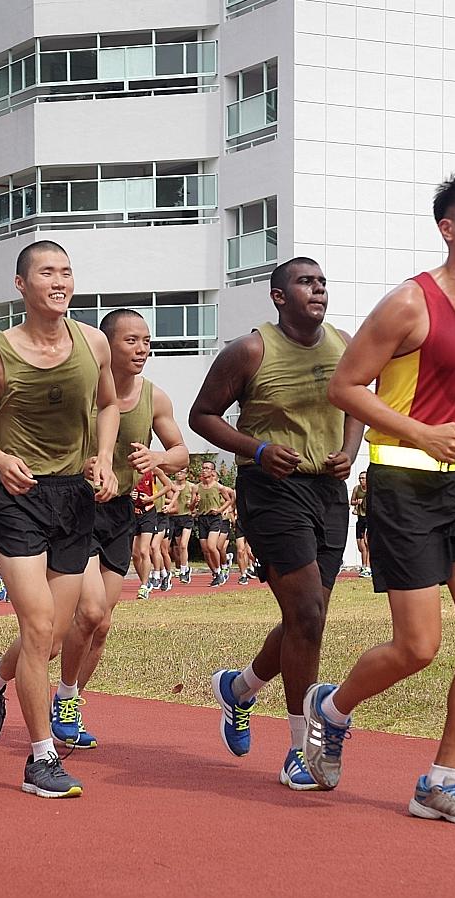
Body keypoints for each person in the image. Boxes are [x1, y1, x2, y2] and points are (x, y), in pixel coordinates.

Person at [300, 171, 455, 826]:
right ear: (448, 228)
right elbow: (346, 387)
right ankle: (330, 709)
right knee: (418, 648)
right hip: (402, 488)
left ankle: (442, 780)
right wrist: (419, 433)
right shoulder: (410, 303)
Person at [0, 240, 120, 798]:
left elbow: (109, 404)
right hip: (16, 496)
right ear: (21, 285)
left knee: (49, 639)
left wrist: (102, 456)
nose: (60, 280)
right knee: (39, 624)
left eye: (67, 272)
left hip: (73, 496)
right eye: (47, 271)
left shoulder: (93, 342)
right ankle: (40, 758)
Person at [194, 256, 362, 791]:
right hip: (271, 490)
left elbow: (358, 397)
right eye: (304, 282)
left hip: (328, 491)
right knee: (308, 613)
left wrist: (350, 450)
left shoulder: (342, 341)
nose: (317, 288)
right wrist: (257, 448)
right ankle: (299, 748)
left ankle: (239, 688)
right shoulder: (250, 350)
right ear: (278, 296)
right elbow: (203, 415)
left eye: (321, 282)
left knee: (305, 621)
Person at [53, 308, 189, 748]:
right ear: (107, 346)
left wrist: (158, 459)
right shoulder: (83, 390)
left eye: (146, 340)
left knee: (102, 624)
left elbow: (181, 452)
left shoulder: (156, 397)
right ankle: (60, 699)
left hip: (120, 514)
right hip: (76, 509)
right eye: (131, 340)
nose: (142, 348)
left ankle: (60, 698)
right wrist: (85, 463)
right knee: (87, 612)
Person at [194, 460, 237, 587]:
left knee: (213, 546)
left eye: (207, 468)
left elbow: (229, 499)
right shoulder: (196, 488)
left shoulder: (219, 487)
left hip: (216, 519)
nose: (204, 470)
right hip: (202, 518)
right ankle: (216, 572)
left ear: (213, 471)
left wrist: (221, 510)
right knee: (205, 550)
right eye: (203, 468)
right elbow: (191, 507)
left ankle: (220, 572)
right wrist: (195, 502)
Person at [131, 467, 172, 599]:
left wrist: (151, 498)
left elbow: (168, 485)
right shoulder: (125, 469)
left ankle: (143, 586)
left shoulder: (152, 469)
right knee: (135, 554)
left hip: (148, 514)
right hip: (133, 513)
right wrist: (129, 494)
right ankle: (145, 581)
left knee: (144, 550)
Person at [162, 467, 196, 583]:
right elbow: (166, 498)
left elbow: (195, 504)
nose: (179, 473)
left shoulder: (191, 487)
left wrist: (193, 504)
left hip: (186, 517)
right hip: (173, 518)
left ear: (186, 474)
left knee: (183, 545)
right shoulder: (170, 485)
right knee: (175, 547)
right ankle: (181, 567)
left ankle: (183, 570)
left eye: (182, 472)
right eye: (177, 471)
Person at [350, 471, 371, 578]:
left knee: (367, 542)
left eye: (363, 478)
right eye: (360, 478)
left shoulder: (371, 490)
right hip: (360, 518)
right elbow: (351, 501)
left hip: (369, 519)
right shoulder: (357, 489)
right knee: (360, 545)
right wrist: (357, 502)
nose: (361, 480)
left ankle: (367, 567)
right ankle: (364, 566)